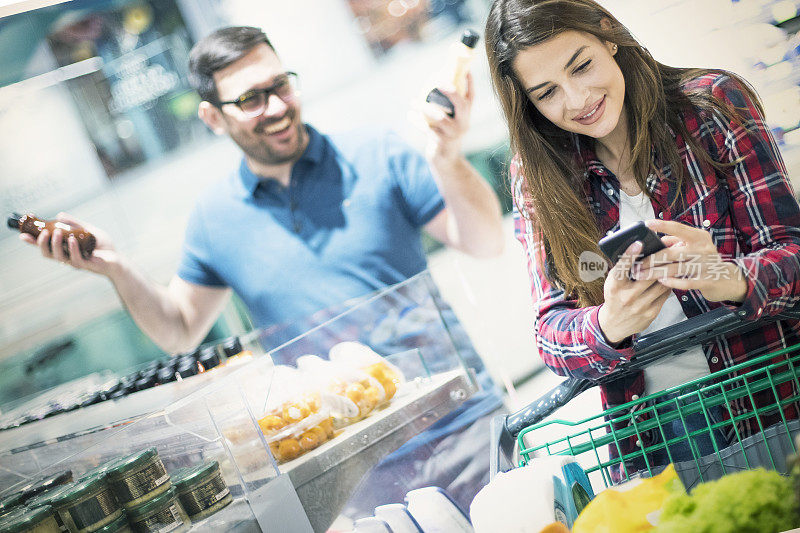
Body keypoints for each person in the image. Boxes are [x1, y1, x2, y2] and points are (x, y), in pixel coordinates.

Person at [20, 27, 505, 516]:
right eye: (251, 99)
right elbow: (179, 330)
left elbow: (483, 241)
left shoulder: (377, 152)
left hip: (459, 424)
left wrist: (448, 156)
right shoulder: (215, 218)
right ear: (212, 117)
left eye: (280, 85)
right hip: (350, 472)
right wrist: (115, 268)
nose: (275, 107)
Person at [485, 0, 800, 478]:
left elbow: (792, 256)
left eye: (583, 66)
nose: (577, 100)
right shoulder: (539, 176)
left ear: (608, 34)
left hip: (772, 396)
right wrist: (608, 323)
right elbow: (551, 330)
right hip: (655, 435)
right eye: (547, 93)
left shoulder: (711, 107)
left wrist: (727, 276)